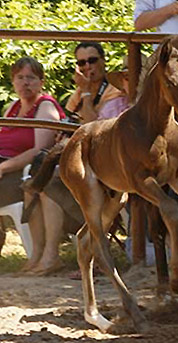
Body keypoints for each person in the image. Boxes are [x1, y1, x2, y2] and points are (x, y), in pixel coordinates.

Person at [23, 42, 130, 276]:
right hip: (82, 156)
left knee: (49, 182)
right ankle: (40, 255)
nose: (87, 67)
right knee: (38, 182)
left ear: (103, 61)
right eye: (81, 62)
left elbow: (96, 127)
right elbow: (71, 123)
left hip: (106, 160)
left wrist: (88, 93)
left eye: (92, 61)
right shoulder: (78, 93)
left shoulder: (113, 92)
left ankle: (53, 255)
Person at [0, 57, 65, 255]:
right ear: (13, 81)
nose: (25, 82)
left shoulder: (45, 107)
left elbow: (40, 150)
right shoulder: (13, 107)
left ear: (41, 82)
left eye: (31, 77)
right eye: (20, 77)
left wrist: (3, 168)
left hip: (23, 174)